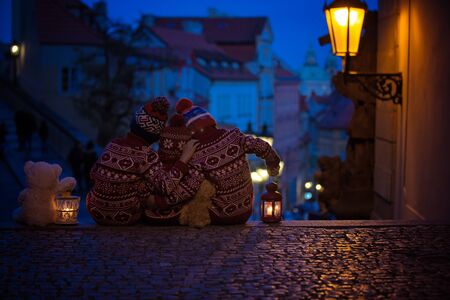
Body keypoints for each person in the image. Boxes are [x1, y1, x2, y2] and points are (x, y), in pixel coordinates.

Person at [156, 98, 281, 225]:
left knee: (199, 191)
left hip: (222, 215)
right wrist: (273, 165)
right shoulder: (234, 137)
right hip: (245, 211)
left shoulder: (197, 155)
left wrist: (160, 202)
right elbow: (262, 146)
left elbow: (188, 189)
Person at [86, 97, 204, 225]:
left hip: (95, 212)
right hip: (125, 216)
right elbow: (165, 186)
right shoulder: (147, 156)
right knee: (148, 186)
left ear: (134, 123)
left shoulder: (112, 145)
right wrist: (183, 159)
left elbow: (93, 174)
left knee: (139, 181)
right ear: (156, 136)